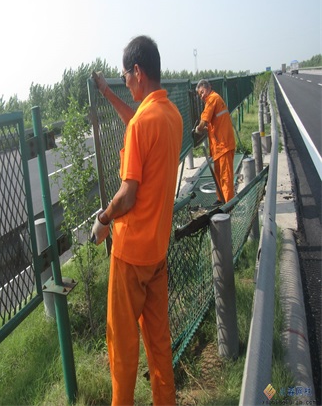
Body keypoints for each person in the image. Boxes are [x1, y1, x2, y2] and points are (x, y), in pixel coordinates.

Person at [91, 35, 183, 406]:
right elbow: (135, 120)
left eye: (125, 77)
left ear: (138, 72)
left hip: (129, 257)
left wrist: (103, 218)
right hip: (157, 253)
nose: (125, 83)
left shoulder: (141, 125)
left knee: (123, 349)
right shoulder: (171, 116)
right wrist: (106, 92)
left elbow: (127, 195)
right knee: (159, 344)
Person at [195, 79, 236, 204]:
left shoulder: (212, 99)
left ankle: (228, 204)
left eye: (202, 92)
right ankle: (221, 199)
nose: (202, 96)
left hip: (223, 145)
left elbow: (204, 120)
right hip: (219, 146)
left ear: (208, 88)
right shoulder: (214, 99)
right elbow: (215, 123)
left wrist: (198, 129)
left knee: (225, 177)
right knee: (218, 175)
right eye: (200, 95)